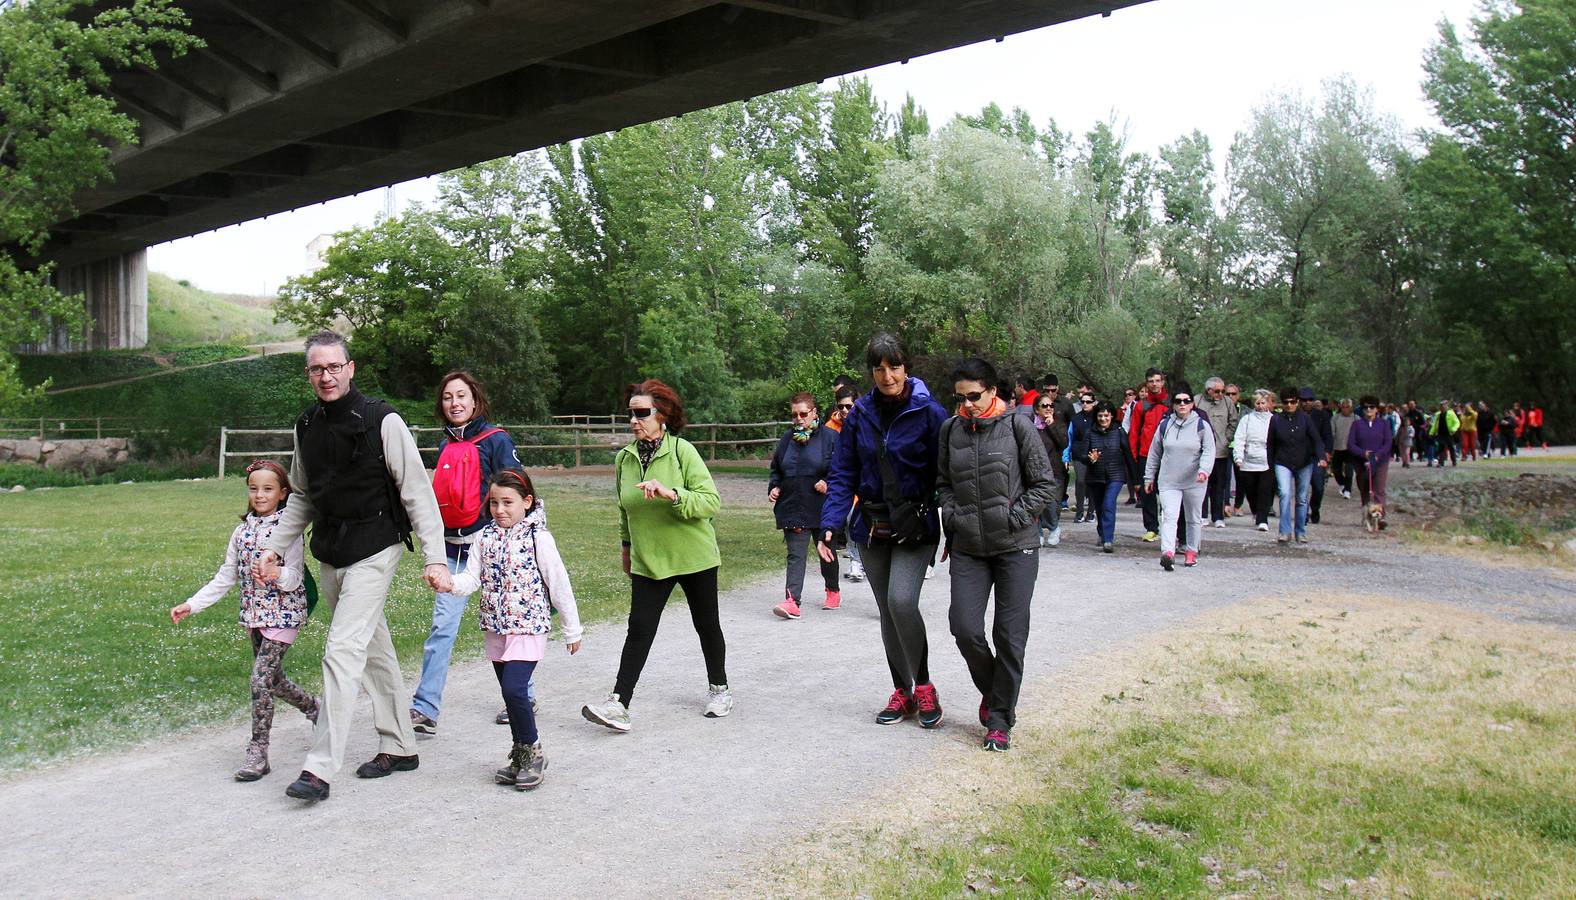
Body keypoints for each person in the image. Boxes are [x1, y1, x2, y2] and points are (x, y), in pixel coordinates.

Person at [254, 330, 450, 803]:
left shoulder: (383, 421)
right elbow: (301, 495)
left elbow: (417, 494)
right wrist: (277, 547)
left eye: (333, 366)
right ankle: (401, 745)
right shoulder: (306, 426)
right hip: (332, 551)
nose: (326, 376)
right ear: (309, 374)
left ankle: (319, 770)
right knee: (374, 650)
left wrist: (436, 557)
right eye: (316, 369)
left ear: (351, 368)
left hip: (376, 547)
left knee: (341, 652)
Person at [581, 380, 730, 733]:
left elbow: (711, 502)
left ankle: (719, 689)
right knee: (639, 630)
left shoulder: (682, 452)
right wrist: (626, 546)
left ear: (662, 416)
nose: (634, 420)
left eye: (642, 413)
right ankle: (619, 703)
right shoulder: (624, 458)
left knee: (706, 625)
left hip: (694, 557)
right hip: (650, 560)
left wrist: (672, 494)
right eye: (631, 413)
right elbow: (624, 508)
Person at [817, 332, 949, 728]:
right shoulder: (859, 415)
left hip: (915, 526)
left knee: (902, 601)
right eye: (879, 368)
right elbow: (843, 473)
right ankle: (903, 692)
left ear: (906, 366)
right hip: (872, 527)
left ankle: (924, 686)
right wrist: (830, 524)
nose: (887, 375)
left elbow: (947, 474)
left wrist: (956, 525)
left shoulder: (931, 413)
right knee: (887, 612)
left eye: (894, 366)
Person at [170, 460, 319, 782]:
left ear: (282, 493)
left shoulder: (288, 531)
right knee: (273, 681)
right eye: (254, 489)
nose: (260, 495)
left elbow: (294, 576)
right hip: (254, 615)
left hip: (285, 613)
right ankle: (314, 708)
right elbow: (226, 576)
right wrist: (192, 604)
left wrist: (277, 573)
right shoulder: (241, 532)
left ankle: (258, 752)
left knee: (259, 680)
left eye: (268, 489)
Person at [937, 358, 1056, 751]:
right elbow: (943, 483)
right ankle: (995, 691)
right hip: (969, 547)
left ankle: (1000, 719)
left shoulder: (1018, 425)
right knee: (965, 628)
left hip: (1015, 547)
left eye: (974, 396)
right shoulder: (950, 430)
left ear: (992, 391)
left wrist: (1013, 517)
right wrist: (953, 513)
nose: (968, 404)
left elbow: (1044, 485)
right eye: (961, 398)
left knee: (1009, 635)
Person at [448, 469, 582, 791]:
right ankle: (520, 755)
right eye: (494, 502)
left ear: (527, 501)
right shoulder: (484, 537)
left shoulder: (539, 537)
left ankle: (533, 751)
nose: (500, 510)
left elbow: (558, 583)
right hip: (497, 627)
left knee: (514, 689)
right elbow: (471, 578)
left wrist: (572, 629)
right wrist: (449, 583)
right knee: (511, 697)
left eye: (508, 502)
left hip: (528, 627)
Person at [409, 371, 522, 736]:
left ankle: (521, 696)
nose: (454, 403)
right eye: (447, 397)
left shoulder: (496, 440)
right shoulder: (445, 446)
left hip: (489, 549)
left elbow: (517, 490)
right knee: (442, 628)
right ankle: (425, 708)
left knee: (505, 626)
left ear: (476, 400)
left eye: (461, 395)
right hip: (452, 551)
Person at [768, 392, 840, 618]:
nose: (798, 418)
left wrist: (827, 482)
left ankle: (832, 589)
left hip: (822, 506)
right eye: (794, 415)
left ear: (814, 412)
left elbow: (841, 469)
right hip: (793, 504)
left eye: (803, 414)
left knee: (826, 551)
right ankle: (792, 601)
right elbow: (776, 469)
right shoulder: (787, 439)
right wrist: (774, 487)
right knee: (795, 554)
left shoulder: (830, 437)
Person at [1143, 384, 1215, 570]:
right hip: (1169, 480)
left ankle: (1191, 551)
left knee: (1193, 518)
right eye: (1178, 401)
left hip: (1194, 481)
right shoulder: (1165, 425)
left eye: (1186, 401)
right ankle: (1168, 552)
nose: (1182, 404)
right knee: (1169, 516)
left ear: (1192, 404)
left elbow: (1209, 450)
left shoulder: (1201, 426)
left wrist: (1204, 470)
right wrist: (1148, 477)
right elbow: (1154, 452)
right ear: (1173, 404)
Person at [1071, 400, 1136, 553]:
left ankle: (1108, 539)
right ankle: (1102, 533)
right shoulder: (1090, 432)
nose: (1103, 419)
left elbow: (1128, 455)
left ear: (1112, 416)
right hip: (1095, 476)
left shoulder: (1119, 431)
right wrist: (1089, 458)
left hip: (1116, 475)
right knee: (1100, 507)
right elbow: (1081, 455)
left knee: (1108, 504)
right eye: (1100, 416)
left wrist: (1136, 479)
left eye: (1106, 416)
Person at [1267, 386, 1326, 545]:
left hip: (1304, 462)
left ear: (1297, 402)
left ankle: (1300, 531)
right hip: (1282, 461)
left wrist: (1321, 456)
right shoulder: (1276, 419)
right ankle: (1284, 531)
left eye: (1293, 402)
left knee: (1301, 498)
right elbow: (1270, 444)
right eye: (1286, 402)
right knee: (1285, 494)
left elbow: (1317, 440)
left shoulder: (1306, 419)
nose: (1289, 405)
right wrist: (1270, 465)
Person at [827, 386, 866, 583]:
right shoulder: (830, 428)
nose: (844, 411)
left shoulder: (865, 424)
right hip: (838, 484)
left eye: (849, 406)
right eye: (841, 407)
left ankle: (858, 561)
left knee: (853, 518)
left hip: (861, 485)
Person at [1129, 368, 1170, 542]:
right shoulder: (1140, 406)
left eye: (1157, 380)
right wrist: (1134, 456)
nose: (1154, 384)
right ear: (1147, 383)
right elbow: (1134, 433)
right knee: (1147, 494)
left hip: (1168, 455)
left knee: (1169, 493)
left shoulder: (1171, 403)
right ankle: (1152, 527)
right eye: (1151, 381)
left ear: (1163, 382)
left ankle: (1170, 526)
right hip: (1145, 454)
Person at [1231, 389, 1276, 532]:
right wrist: (1238, 456)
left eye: (1263, 403)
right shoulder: (1247, 419)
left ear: (1268, 404)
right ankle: (1256, 511)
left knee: (1265, 490)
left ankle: (1263, 519)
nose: (1261, 406)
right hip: (1248, 462)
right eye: (1258, 403)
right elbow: (1239, 438)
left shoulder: (1273, 420)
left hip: (1267, 462)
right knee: (1250, 491)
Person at [1196, 377, 1238, 528]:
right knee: (1202, 484)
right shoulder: (1197, 400)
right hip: (1201, 452)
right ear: (1208, 391)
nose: (1221, 394)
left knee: (1219, 485)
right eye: (1217, 391)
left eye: (1223, 391)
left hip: (1220, 451)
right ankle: (1201, 515)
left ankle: (1218, 516)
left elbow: (1234, 422)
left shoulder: (1227, 402)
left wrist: (1226, 439)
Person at [1348, 396, 1394, 527]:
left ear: (1377, 409)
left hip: (1380, 461)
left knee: (1379, 488)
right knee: (1365, 489)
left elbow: (1388, 442)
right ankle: (1367, 516)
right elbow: (1351, 444)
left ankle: (1380, 517)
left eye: (1371, 407)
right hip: (1361, 462)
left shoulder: (1384, 424)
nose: (1368, 409)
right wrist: (1363, 453)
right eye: (1365, 407)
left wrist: (1377, 455)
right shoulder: (1356, 424)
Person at [1031, 389, 1068, 547]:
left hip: (1053, 470)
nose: (1048, 408)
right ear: (1036, 409)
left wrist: (1051, 424)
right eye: (1044, 405)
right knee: (1036, 503)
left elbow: (1063, 443)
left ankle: (1054, 527)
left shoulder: (1058, 423)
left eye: (1051, 405)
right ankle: (1037, 532)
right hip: (1034, 470)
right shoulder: (1029, 426)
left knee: (1050, 502)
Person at [1302, 389, 1334, 524]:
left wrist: (1327, 452)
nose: (1307, 403)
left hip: (1317, 455)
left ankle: (1315, 508)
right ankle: (1302, 513)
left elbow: (1328, 435)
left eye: (1309, 400)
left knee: (1318, 486)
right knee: (1301, 487)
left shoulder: (1322, 415)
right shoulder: (1295, 415)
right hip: (1300, 455)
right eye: (1304, 400)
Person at [1068, 391, 1096, 524]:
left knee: (1092, 482)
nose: (1085, 404)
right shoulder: (1075, 419)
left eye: (1088, 402)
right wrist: (1066, 456)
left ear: (1093, 403)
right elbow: (1070, 437)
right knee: (1080, 481)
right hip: (1079, 453)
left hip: (1094, 453)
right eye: (1082, 402)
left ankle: (1091, 511)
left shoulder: (1098, 417)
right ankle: (1079, 511)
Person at [1330, 399, 1358, 496]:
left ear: (1351, 407)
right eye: (1343, 407)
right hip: (1338, 447)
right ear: (1340, 407)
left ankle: (1348, 490)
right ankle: (1342, 483)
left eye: (1347, 407)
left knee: (1349, 469)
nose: (1345, 409)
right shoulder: (1335, 418)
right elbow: (1332, 433)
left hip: (1351, 448)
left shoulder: (1356, 418)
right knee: (1336, 469)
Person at [1429, 400, 1459, 467]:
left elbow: (1457, 422)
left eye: (1444, 405)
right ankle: (1441, 462)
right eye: (1441, 406)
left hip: (1449, 433)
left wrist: (1454, 429)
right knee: (1441, 447)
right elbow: (1435, 424)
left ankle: (1454, 461)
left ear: (1447, 406)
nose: (1442, 407)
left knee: (1451, 447)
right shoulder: (1438, 414)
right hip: (1440, 433)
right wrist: (1431, 432)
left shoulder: (1451, 413)